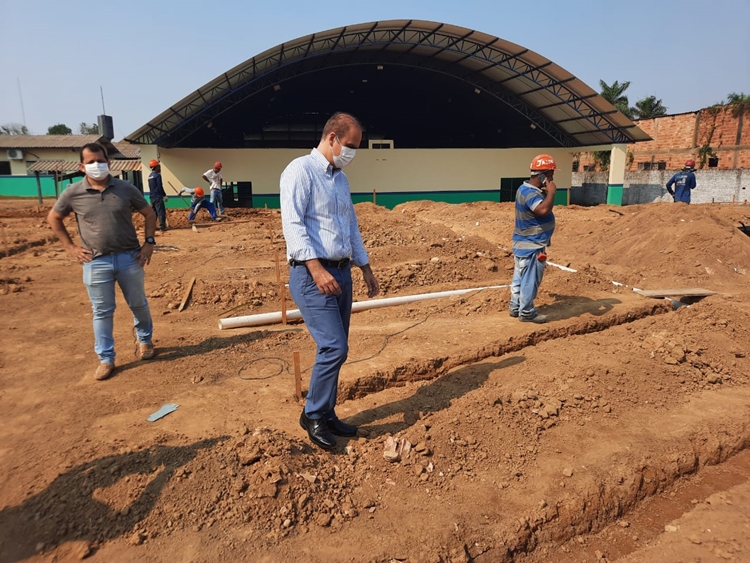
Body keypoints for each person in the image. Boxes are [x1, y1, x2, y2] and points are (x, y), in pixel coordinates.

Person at [280, 112, 380, 451]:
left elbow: (350, 226)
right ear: (332, 138)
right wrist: (316, 269)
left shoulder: (340, 180)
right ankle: (312, 415)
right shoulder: (300, 171)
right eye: (350, 145)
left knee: (337, 351)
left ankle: (327, 412)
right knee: (334, 346)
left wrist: (363, 266)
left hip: (341, 271)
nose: (352, 152)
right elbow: (293, 226)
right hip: (313, 275)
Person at [47, 143, 157, 381]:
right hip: (95, 262)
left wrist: (149, 242)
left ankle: (145, 341)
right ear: (81, 166)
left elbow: (149, 213)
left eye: (101, 160)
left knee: (138, 303)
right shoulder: (73, 193)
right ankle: (106, 359)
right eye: (91, 162)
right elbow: (54, 217)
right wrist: (70, 247)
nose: (97, 165)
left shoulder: (126, 188)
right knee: (102, 311)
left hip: (130, 257)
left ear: (109, 162)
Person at [509, 154, 558, 324]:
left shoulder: (526, 190)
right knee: (530, 279)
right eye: (551, 175)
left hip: (523, 243)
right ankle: (527, 312)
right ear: (543, 175)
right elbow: (542, 210)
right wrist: (551, 192)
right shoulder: (530, 193)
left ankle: (515, 307)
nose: (552, 179)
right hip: (532, 245)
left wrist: (545, 193)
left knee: (519, 278)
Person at [147, 159, 168, 231]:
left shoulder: (150, 176)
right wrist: (164, 195)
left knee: (154, 213)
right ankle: (162, 227)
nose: (160, 168)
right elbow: (160, 186)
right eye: (159, 166)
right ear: (155, 167)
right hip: (158, 197)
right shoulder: (157, 175)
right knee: (161, 212)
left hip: (152, 197)